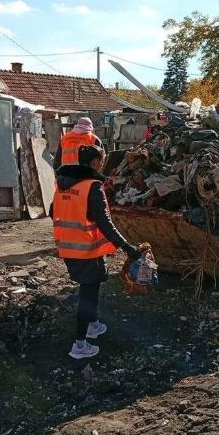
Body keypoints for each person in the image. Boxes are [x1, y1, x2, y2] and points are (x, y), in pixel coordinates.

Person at [52, 144, 141, 359]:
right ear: (94, 163)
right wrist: (127, 247)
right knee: (88, 296)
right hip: (85, 250)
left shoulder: (62, 183)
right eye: (101, 160)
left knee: (92, 286)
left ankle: (92, 325)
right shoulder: (92, 186)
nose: (102, 164)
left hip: (68, 247)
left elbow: (52, 211)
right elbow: (105, 223)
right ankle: (80, 345)